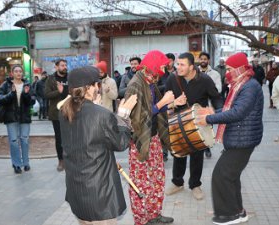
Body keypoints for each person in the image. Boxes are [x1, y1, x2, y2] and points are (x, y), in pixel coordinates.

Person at [58, 66, 137, 225]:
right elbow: (121, 143)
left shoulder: (64, 111)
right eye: (96, 85)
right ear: (88, 88)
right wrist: (123, 116)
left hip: (77, 190)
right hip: (99, 194)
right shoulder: (102, 115)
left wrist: (94, 105)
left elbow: (85, 137)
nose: (98, 88)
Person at [196, 52, 264, 225]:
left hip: (243, 139)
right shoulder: (242, 84)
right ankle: (238, 211)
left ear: (239, 68)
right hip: (239, 138)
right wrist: (213, 112)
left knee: (222, 175)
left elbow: (238, 112)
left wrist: (209, 119)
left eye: (229, 69)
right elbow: (230, 108)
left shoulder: (250, 86)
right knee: (231, 176)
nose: (226, 73)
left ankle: (228, 215)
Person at [125, 50, 187, 225]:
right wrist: (163, 102)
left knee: (157, 179)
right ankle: (141, 219)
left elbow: (155, 110)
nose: (163, 70)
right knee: (140, 183)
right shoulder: (135, 84)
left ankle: (154, 215)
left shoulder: (150, 81)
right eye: (161, 66)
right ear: (152, 64)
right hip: (140, 142)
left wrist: (173, 103)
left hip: (153, 139)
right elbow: (137, 119)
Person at [165, 52, 223, 200]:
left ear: (192, 66)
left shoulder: (205, 79)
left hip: (198, 122)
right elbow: (165, 98)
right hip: (178, 122)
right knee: (179, 153)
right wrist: (172, 103)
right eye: (178, 64)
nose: (178, 67)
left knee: (197, 155)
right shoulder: (173, 78)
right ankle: (177, 182)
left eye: (182, 64)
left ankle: (195, 184)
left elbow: (216, 98)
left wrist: (217, 112)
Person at [0, 65, 36, 174]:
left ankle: (26, 163)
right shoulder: (6, 85)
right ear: (12, 73)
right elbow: (0, 99)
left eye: (20, 71)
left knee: (25, 140)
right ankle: (17, 164)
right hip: (11, 117)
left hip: (24, 117)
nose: (18, 73)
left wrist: (26, 94)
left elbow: (32, 100)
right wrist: (12, 93)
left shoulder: (27, 85)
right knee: (14, 141)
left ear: (22, 73)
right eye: (16, 71)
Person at [45, 59, 69, 171]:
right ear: (56, 67)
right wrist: (58, 92)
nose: (64, 67)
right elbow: (47, 94)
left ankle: (70, 159)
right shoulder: (51, 79)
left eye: (65, 65)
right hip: (56, 113)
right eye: (62, 65)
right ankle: (61, 160)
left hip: (70, 112)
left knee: (71, 136)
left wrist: (65, 91)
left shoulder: (70, 78)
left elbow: (75, 92)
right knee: (59, 138)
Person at [199, 52, 222, 158]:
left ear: (208, 60)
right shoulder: (194, 72)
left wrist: (206, 90)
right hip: (197, 105)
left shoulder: (215, 74)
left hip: (209, 106)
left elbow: (218, 89)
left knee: (208, 128)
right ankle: (199, 148)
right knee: (197, 127)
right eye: (201, 59)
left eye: (205, 59)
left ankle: (207, 148)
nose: (203, 61)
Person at [157, 53, 177, 162]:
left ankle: (174, 149)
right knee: (163, 128)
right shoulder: (161, 74)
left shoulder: (178, 72)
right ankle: (164, 151)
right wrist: (166, 86)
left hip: (176, 104)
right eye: (166, 61)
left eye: (170, 61)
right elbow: (157, 88)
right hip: (163, 104)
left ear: (173, 61)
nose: (168, 63)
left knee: (174, 129)